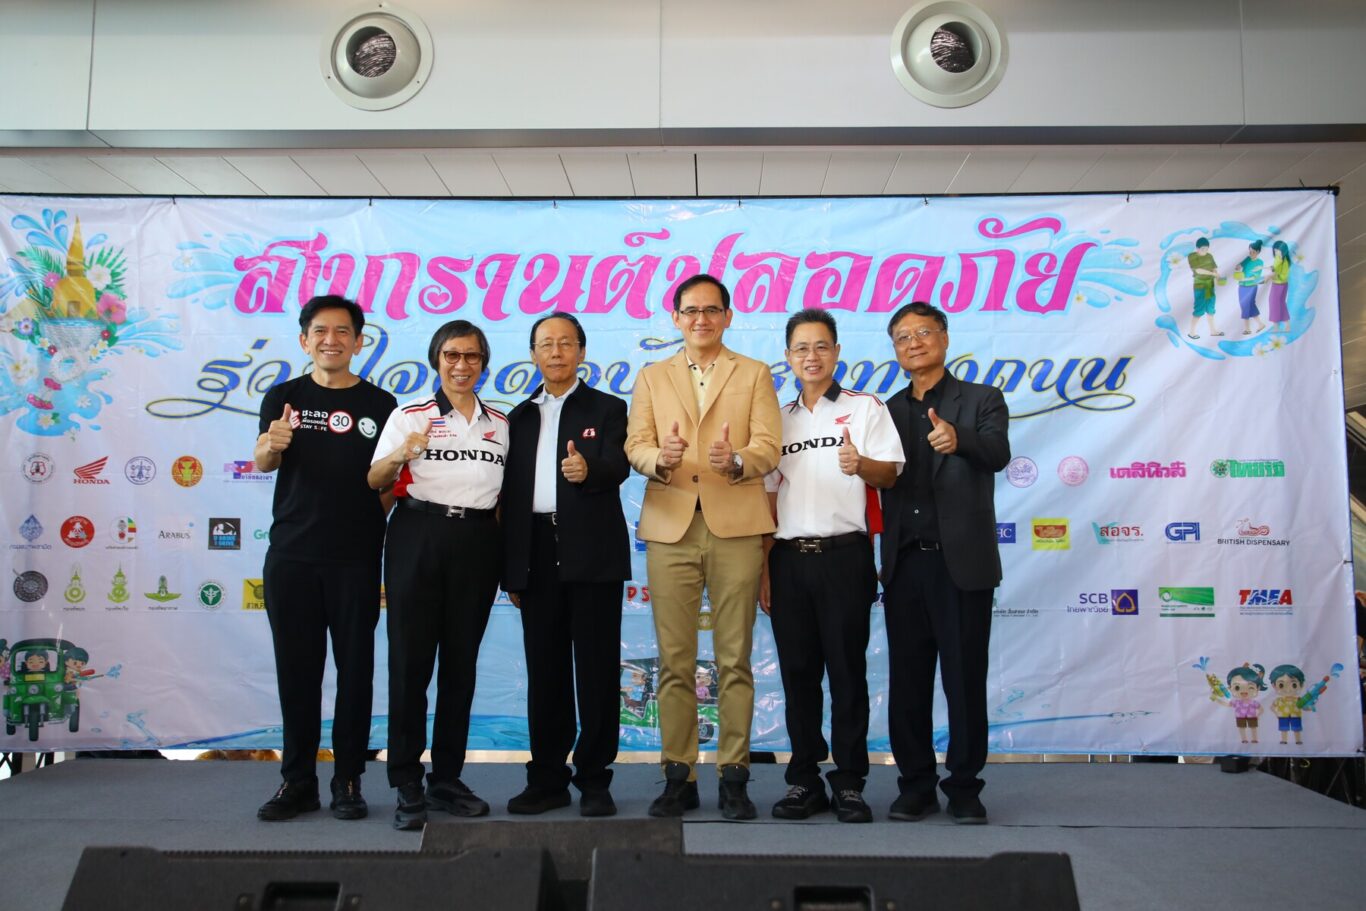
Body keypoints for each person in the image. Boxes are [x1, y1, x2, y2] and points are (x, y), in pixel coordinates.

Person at [624, 273, 781, 820]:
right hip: (670, 527)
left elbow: (770, 445)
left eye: (711, 310)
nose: (701, 320)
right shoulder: (651, 376)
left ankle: (734, 776)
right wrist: (659, 459)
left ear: (728, 317)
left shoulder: (754, 373)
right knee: (675, 660)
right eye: (690, 310)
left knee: (735, 658)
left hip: (736, 525)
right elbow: (635, 444)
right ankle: (679, 775)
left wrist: (737, 460)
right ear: (675, 318)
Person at [254, 294, 396, 822]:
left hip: (355, 560)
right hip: (292, 557)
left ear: (358, 342)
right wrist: (273, 442)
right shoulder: (283, 397)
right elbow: (263, 460)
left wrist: (363, 521)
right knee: (298, 674)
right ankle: (297, 781)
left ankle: (348, 780)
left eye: (342, 332)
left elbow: (388, 483)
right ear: (304, 340)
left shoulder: (382, 405)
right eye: (320, 331)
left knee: (355, 673)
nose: (330, 340)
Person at [759, 309, 904, 823]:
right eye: (801, 348)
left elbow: (890, 475)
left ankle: (849, 782)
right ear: (788, 356)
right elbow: (768, 499)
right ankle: (803, 780)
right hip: (788, 560)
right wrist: (764, 570)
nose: (812, 356)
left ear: (837, 352)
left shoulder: (866, 408)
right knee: (798, 676)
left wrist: (860, 464)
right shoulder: (776, 419)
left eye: (821, 346)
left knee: (847, 674)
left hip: (845, 557)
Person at [368, 319, 507, 831]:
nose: (461, 365)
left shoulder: (502, 423)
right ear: (437, 360)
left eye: (471, 356)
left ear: (483, 363)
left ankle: (446, 779)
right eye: (452, 355)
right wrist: (403, 453)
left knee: (460, 668)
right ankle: (406, 780)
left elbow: (504, 498)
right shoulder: (410, 415)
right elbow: (374, 479)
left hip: (478, 542)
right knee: (410, 664)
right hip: (418, 535)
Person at [880, 300, 1010, 825]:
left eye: (923, 332)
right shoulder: (886, 410)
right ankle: (915, 785)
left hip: (962, 566)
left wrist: (960, 440)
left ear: (945, 338)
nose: (914, 343)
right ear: (895, 350)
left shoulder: (981, 399)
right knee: (908, 683)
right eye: (903, 337)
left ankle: (964, 788)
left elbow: (998, 453)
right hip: (904, 566)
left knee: (964, 681)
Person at [500, 313, 631, 817]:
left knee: (596, 671)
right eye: (546, 344)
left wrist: (588, 469)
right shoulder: (518, 417)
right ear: (533, 354)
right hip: (535, 551)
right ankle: (547, 778)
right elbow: (508, 498)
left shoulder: (608, 407)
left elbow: (618, 465)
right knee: (545, 672)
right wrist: (512, 568)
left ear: (582, 351)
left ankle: (595, 779)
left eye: (565, 343)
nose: (556, 352)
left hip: (592, 551)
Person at [1186, 237, 1223, 339]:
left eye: (1207, 249)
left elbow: (1214, 268)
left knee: (1210, 308)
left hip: (1210, 285)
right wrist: (1212, 274)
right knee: (1199, 308)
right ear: (1197, 248)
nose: (1205, 251)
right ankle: (1192, 332)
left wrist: (1217, 276)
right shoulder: (1192, 256)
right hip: (1200, 286)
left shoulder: (1209, 256)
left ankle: (1213, 331)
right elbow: (1198, 270)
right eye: (1203, 249)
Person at [1233, 240, 1268, 335]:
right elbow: (1239, 266)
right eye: (1250, 251)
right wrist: (1238, 267)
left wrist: (1244, 279)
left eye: (1253, 252)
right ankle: (1260, 324)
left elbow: (1255, 277)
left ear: (1258, 252)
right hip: (1242, 285)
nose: (1251, 253)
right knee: (1248, 305)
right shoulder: (1247, 259)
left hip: (1251, 286)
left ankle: (1247, 329)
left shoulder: (1260, 262)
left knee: (1245, 305)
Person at [1268, 240, 1292, 332]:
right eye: (1275, 250)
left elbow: (1283, 276)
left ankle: (1276, 327)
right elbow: (1275, 269)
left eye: (1278, 250)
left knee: (1274, 304)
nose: (1276, 252)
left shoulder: (1283, 261)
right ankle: (1286, 325)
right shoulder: (1279, 260)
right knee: (1280, 304)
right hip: (1278, 284)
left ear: (1283, 251)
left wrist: (1273, 275)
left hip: (1279, 285)